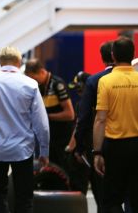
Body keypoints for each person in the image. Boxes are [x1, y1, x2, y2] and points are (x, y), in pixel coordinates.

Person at [0, 46, 49, 213]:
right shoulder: (31, 84)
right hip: (23, 149)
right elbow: (42, 124)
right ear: (19, 62)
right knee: (24, 196)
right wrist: (43, 151)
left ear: (0, 62)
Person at [93, 37, 138, 212]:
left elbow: (100, 119)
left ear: (113, 56)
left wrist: (97, 152)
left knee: (112, 199)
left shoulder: (106, 81)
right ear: (133, 54)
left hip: (115, 147)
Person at [73, 41, 114, 213]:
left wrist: (79, 146)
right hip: (132, 142)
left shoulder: (95, 80)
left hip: (102, 144)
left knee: (103, 194)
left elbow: (84, 118)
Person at [25, 59, 74, 172]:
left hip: (62, 138)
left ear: (42, 72)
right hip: (48, 138)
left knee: (62, 169)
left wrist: (46, 117)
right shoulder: (37, 86)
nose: (33, 81)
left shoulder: (57, 84)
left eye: (34, 78)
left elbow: (70, 114)